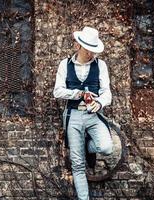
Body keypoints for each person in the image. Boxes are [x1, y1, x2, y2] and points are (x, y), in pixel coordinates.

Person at [53, 26, 113, 200]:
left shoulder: (100, 65)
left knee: (106, 147)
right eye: (89, 50)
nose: (93, 54)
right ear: (78, 46)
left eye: (95, 50)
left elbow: (107, 92)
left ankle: (87, 147)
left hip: (93, 115)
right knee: (78, 165)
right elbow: (57, 92)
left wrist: (100, 102)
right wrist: (76, 93)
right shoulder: (65, 64)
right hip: (73, 115)